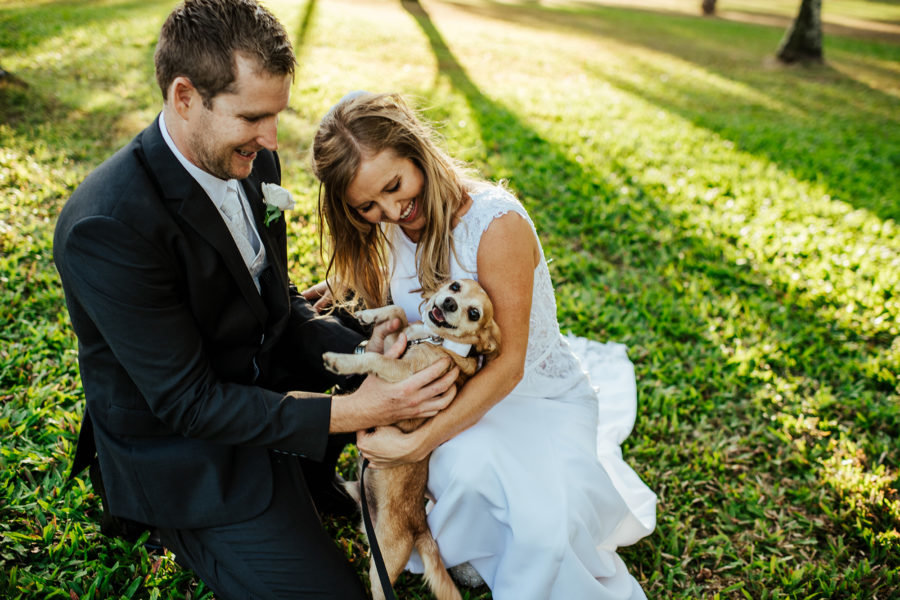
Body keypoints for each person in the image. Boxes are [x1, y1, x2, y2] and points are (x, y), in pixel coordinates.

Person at [52, 3, 458, 599]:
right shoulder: (108, 226)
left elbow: (276, 308)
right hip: (191, 454)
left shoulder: (248, 157)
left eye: (276, 115)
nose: (271, 140)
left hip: (263, 384)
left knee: (404, 372)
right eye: (253, 117)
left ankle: (310, 472)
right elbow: (189, 405)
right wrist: (359, 409)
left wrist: (367, 353)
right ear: (185, 96)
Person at [306, 91, 658, 599]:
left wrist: (414, 443)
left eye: (394, 187)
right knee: (466, 472)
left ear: (416, 151)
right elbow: (401, 300)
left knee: (541, 532)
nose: (390, 210)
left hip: (528, 397)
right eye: (367, 206)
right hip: (450, 394)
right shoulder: (392, 223)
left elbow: (509, 363)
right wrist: (344, 292)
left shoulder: (496, 223)